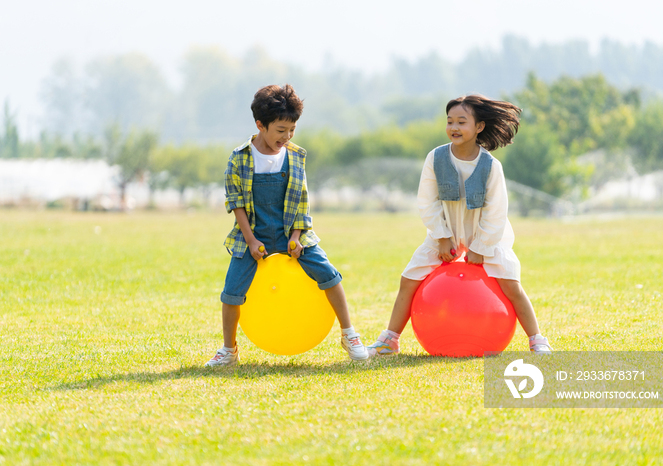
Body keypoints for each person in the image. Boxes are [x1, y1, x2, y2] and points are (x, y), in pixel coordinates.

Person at [366, 95, 552, 356]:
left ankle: (537, 339)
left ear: (479, 127)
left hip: (485, 234)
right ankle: (390, 339)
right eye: (450, 121)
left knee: (511, 284)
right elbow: (426, 201)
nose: (454, 127)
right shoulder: (436, 157)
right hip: (446, 231)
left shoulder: (491, 166)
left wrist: (481, 246)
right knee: (408, 279)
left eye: (462, 122)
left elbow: (496, 211)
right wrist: (442, 236)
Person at [206, 84, 368, 367]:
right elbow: (236, 203)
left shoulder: (295, 156)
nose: (287, 136)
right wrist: (252, 240)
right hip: (253, 235)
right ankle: (228, 350)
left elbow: (301, 201)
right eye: (281, 130)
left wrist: (295, 236)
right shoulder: (240, 158)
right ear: (260, 124)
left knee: (330, 275)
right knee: (232, 292)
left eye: (292, 129)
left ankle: (349, 334)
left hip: (291, 232)